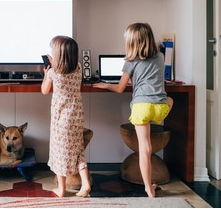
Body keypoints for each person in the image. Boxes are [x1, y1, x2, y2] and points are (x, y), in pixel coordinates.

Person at [93, 23, 173, 198]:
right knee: (170, 99)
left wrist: (107, 85)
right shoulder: (160, 56)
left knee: (145, 149)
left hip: (141, 108)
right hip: (159, 107)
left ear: (131, 42)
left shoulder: (130, 61)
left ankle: (147, 188)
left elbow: (120, 88)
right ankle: (156, 118)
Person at [41, 35, 91, 198]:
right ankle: (86, 184)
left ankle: (61, 189)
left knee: (59, 152)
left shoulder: (54, 73)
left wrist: (46, 72)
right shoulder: (78, 68)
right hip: (76, 116)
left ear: (58, 55)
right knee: (78, 151)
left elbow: (44, 90)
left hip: (61, 120)